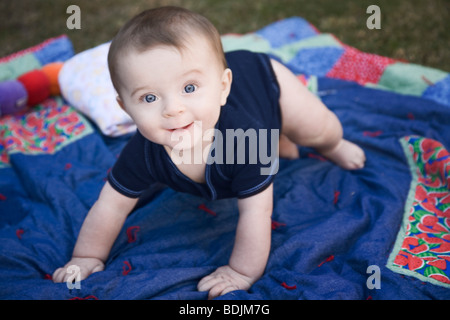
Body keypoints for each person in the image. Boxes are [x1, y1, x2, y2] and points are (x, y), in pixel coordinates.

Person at [53, 6, 366, 299]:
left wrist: (241, 272)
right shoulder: (143, 152)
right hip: (248, 109)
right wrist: (86, 256)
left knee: (317, 128)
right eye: (149, 97)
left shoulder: (247, 141)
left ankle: (330, 143)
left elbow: (256, 212)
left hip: (265, 82)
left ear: (222, 87)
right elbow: (110, 206)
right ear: (125, 108)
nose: (173, 109)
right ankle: (281, 141)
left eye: (189, 88)